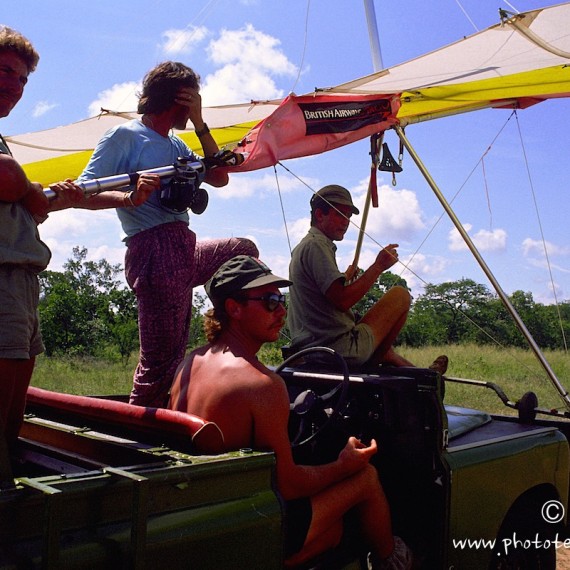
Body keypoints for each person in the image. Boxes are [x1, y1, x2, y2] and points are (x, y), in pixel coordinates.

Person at [168, 255, 414, 569]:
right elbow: (289, 486)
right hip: (252, 527)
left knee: (335, 531)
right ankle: (394, 560)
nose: (282, 310)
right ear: (234, 308)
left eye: (281, 299)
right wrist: (343, 464)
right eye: (270, 301)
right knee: (366, 477)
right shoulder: (261, 385)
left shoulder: (189, 364)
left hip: (206, 513)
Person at [76, 61, 258, 408]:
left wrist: (201, 123)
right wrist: (129, 197)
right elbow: (82, 190)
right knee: (161, 362)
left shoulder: (177, 146)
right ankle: (136, 440)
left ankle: (222, 339)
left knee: (243, 250)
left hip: (183, 245)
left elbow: (219, 177)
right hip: (153, 250)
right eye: (193, 103)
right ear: (179, 97)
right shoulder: (125, 136)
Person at [0, 26, 86, 448]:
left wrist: (47, 200)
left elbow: (17, 196)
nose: (13, 86)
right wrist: (31, 190)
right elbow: (6, 177)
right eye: (4, 71)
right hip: (3, 281)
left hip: (21, 281)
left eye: (21, 78)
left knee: (13, 407)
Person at [287, 184, 447, 373]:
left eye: (349, 216)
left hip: (312, 346)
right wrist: (378, 266)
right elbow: (342, 300)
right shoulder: (317, 245)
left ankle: (426, 375)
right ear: (320, 214)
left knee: (386, 350)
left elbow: (324, 297)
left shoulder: (304, 247)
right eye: (340, 214)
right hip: (337, 348)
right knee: (400, 295)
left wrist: (345, 277)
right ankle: (380, 363)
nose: (346, 222)